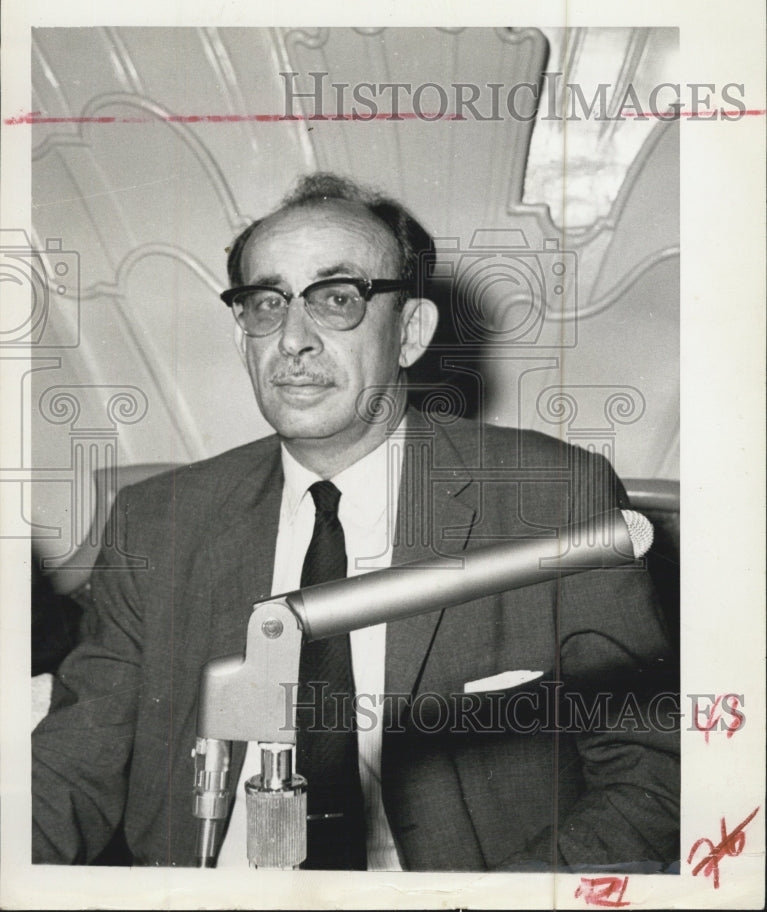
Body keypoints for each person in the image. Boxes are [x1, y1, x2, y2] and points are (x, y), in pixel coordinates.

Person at [32, 173, 679, 871]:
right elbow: (71, 769)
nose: (293, 340)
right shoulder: (157, 520)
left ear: (409, 332)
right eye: (265, 303)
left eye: (336, 299)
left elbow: (651, 777)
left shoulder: (554, 498)